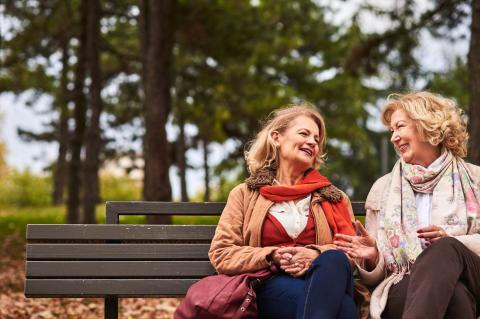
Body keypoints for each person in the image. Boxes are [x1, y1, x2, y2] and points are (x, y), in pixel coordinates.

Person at [334, 91, 480, 319]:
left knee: (445, 248)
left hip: (473, 277)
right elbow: (376, 275)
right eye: (392, 130)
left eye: (400, 127)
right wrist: (374, 257)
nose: (393, 137)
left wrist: (452, 242)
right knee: (455, 297)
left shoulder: (475, 178)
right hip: (404, 283)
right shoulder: (383, 189)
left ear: (426, 125)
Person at [208, 104, 362, 319]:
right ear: (276, 137)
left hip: (325, 279)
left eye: (316, 140)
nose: (312, 142)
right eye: (304, 133)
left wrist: (315, 254)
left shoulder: (335, 197)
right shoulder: (245, 194)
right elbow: (222, 253)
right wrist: (272, 255)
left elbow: (353, 253)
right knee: (344, 308)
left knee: (334, 259)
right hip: (270, 284)